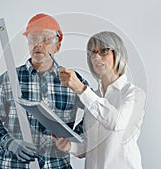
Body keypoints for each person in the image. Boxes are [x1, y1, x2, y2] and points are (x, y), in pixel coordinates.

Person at [0, 13, 88, 169]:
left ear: (57, 46)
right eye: (33, 38)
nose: (39, 44)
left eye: (46, 39)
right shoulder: (8, 80)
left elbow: (93, 112)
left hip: (57, 165)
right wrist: (9, 143)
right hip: (13, 165)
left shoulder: (72, 80)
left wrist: (72, 139)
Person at [52, 31, 146, 169]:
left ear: (118, 53)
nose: (96, 57)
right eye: (92, 53)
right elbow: (90, 146)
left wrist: (81, 89)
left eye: (103, 51)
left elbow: (117, 124)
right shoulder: (93, 96)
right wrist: (70, 147)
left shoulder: (134, 94)